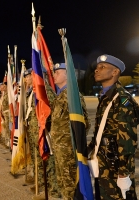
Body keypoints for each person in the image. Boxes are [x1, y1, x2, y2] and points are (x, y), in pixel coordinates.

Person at [89, 54, 139, 200]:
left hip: (116, 166)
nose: (97, 70)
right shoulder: (105, 96)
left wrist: (124, 173)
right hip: (103, 162)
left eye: (103, 67)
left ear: (115, 72)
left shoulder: (122, 100)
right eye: (97, 67)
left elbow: (128, 140)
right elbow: (101, 130)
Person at [50, 63, 90, 200]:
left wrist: (72, 144)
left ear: (67, 75)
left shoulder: (73, 96)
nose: (54, 75)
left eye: (58, 72)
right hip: (59, 148)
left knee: (71, 185)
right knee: (62, 182)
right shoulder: (59, 96)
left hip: (68, 150)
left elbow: (83, 123)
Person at [24, 68, 60, 200]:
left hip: (44, 133)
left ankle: (53, 192)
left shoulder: (45, 91)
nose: (27, 79)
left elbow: (50, 113)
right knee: (39, 161)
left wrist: (44, 128)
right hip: (35, 132)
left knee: (48, 162)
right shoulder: (34, 92)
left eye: (30, 76)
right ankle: (41, 185)